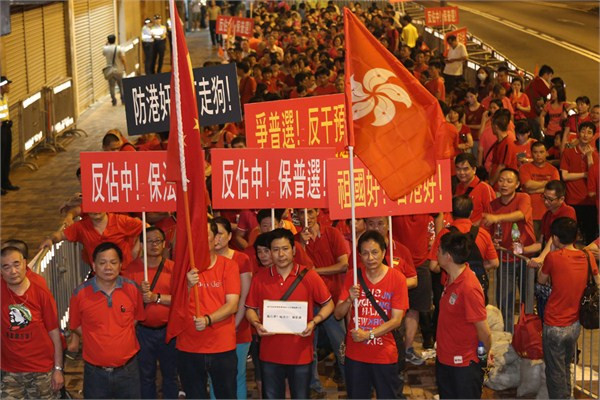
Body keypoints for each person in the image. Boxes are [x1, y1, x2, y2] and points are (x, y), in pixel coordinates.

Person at [245, 228, 334, 399]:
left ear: (293, 250)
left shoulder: (309, 276)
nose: (281, 254)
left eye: (285, 249)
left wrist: (314, 322)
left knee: (301, 396)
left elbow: (328, 304)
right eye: (276, 249)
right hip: (270, 353)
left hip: (300, 353)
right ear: (270, 252)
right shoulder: (260, 278)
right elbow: (250, 308)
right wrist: (256, 324)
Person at [334, 230, 408, 399]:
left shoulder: (397, 278)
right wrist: (348, 300)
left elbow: (396, 320)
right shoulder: (353, 276)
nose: (370, 258)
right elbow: (338, 314)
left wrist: (368, 334)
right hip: (356, 354)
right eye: (365, 253)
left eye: (375, 252)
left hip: (384, 353)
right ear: (359, 255)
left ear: (383, 252)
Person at [69, 242, 145, 399]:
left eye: (113, 262)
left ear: (120, 265)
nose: (108, 267)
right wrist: (96, 338)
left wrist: (118, 333)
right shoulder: (80, 294)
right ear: (94, 265)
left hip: (128, 371)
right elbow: (75, 325)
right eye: (102, 263)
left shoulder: (131, 289)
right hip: (95, 373)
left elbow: (136, 318)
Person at [536, 217, 599, 398]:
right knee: (565, 365)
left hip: (554, 323)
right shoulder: (587, 257)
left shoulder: (553, 258)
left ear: (555, 238)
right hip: (575, 323)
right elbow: (597, 280)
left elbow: (541, 279)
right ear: (576, 236)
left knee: (555, 371)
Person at [178, 221, 240, 399]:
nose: (199, 238)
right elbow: (175, 306)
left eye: (205, 234)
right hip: (189, 346)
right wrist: (188, 286)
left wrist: (208, 319)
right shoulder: (182, 268)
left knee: (226, 395)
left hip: (222, 346)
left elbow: (232, 304)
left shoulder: (229, 266)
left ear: (216, 239)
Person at [1, 246, 64, 399]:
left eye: (16, 264)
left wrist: (58, 369)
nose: (13, 271)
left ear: (25, 264)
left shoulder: (40, 292)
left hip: (42, 371)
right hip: (10, 372)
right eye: (6, 267)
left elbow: (54, 333)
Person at [122, 227, 177, 400]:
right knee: (145, 377)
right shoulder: (131, 270)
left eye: (158, 241)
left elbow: (180, 300)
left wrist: (156, 298)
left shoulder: (173, 268)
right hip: (142, 331)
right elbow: (124, 303)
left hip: (169, 330)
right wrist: (138, 293)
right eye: (149, 241)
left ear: (164, 244)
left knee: (171, 376)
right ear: (142, 244)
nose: (154, 245)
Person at [435, 231, 492, 400]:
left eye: (439, 250)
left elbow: (484, 331)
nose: (436, 253)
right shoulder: (450, 278)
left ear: (448, 257)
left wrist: (481, 357)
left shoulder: (469, 287)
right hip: (445, 360)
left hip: (464, 366)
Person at [297, 208, 348, 392]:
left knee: (341, 344)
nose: (306, 217)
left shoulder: (331, 233)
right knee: (308, 348)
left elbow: (344, 264)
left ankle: (349, 379)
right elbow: (297, 270)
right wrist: (301, 246)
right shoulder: (295, 240)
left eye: (310, 212)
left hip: (332, 301)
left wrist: (315, 272)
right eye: (301, 213)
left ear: (317, 212)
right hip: (307, 304)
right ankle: (313, 387)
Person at [211, 216, 253, 400]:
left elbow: (245, 297)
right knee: (214, 377)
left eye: (220, 234)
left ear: (229, 236)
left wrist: (234, 325)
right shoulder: (203, 260)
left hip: (238, 327)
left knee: (237, 374)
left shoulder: (241, 259)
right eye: (213, 234)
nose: (216, 238)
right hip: (212, 328)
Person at [429, 196, 499, 305]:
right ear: (471, 212)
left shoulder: (444, 234)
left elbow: (433, 266)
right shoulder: (483, 234)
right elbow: (494, 262)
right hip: (477, 285)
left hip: (450, 285)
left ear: (451, 213)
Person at [41, 211, 144, 271]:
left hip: (125, 273)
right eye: (91, 207)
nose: (95, 210)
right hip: (100, 276)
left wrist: (137, 248)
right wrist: (50, 239)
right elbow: (60, 235)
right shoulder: (81, 227)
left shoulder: (120, 221)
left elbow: (146, 228)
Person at [560, 121, 598, 244]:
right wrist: (584, 175)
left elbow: (595, 175)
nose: (585, 135)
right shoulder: (568, 152)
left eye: (589, 132)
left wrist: (589, 157)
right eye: (583, 131)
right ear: (578, 133)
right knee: (572, 236)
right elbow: (565, 176)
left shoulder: (596, 154)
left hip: (591, 201)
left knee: (591, 236)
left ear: (593, 136)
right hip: (572, 199)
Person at [526, 180, 576, 268]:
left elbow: (554, 238)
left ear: (562, 199)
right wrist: (522, 250)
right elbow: (541, 243)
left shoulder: (568, 211)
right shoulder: (547, 215)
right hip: (551, 260)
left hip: (565, 261)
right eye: (544, 197)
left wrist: (541, 257)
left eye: (550, 199)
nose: (546, 202)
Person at [519, 141, 559, 237]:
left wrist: (534, 190)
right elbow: (528, 185)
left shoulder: (553, 170)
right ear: (531, 153)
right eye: (535, 152)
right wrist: (546, 184)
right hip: (531, 212)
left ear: (546, 153)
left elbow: (555, 189)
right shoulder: (524, 168)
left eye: (541, 152)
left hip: (549, 211)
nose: (538, 155)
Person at [453, 152, 496, 225]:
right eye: (458, 169)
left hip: (477, 233)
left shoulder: (484, 188)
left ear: (474, 170)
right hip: (460, 231)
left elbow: (492, 215)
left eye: (465, 169)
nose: (461, 173)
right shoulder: (458, 187)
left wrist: (473, 228)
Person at [489, 109, 518, 186]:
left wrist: (491, 182)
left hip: (502, 184)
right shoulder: (498, 142)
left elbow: (502, 166)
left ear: (495, 126)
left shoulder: (507, 143)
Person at [0, 76, 19, 196]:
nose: (9, 87)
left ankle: (5, 182)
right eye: (7, 85)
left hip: (6, 128)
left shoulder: (4, 97)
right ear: (2, 86)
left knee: (6, 157)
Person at [103, 35, 126, 106]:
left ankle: (113, 100)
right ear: (115, 40)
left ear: (108, 40)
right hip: (119, 70)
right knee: (121, 85)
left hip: (110, 70)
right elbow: (123, 59)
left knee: (111, 86)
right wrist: (125, 67)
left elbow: (104, 54)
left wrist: (106, 44)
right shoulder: (119, 48)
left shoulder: (105, 49)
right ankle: (123, 99)